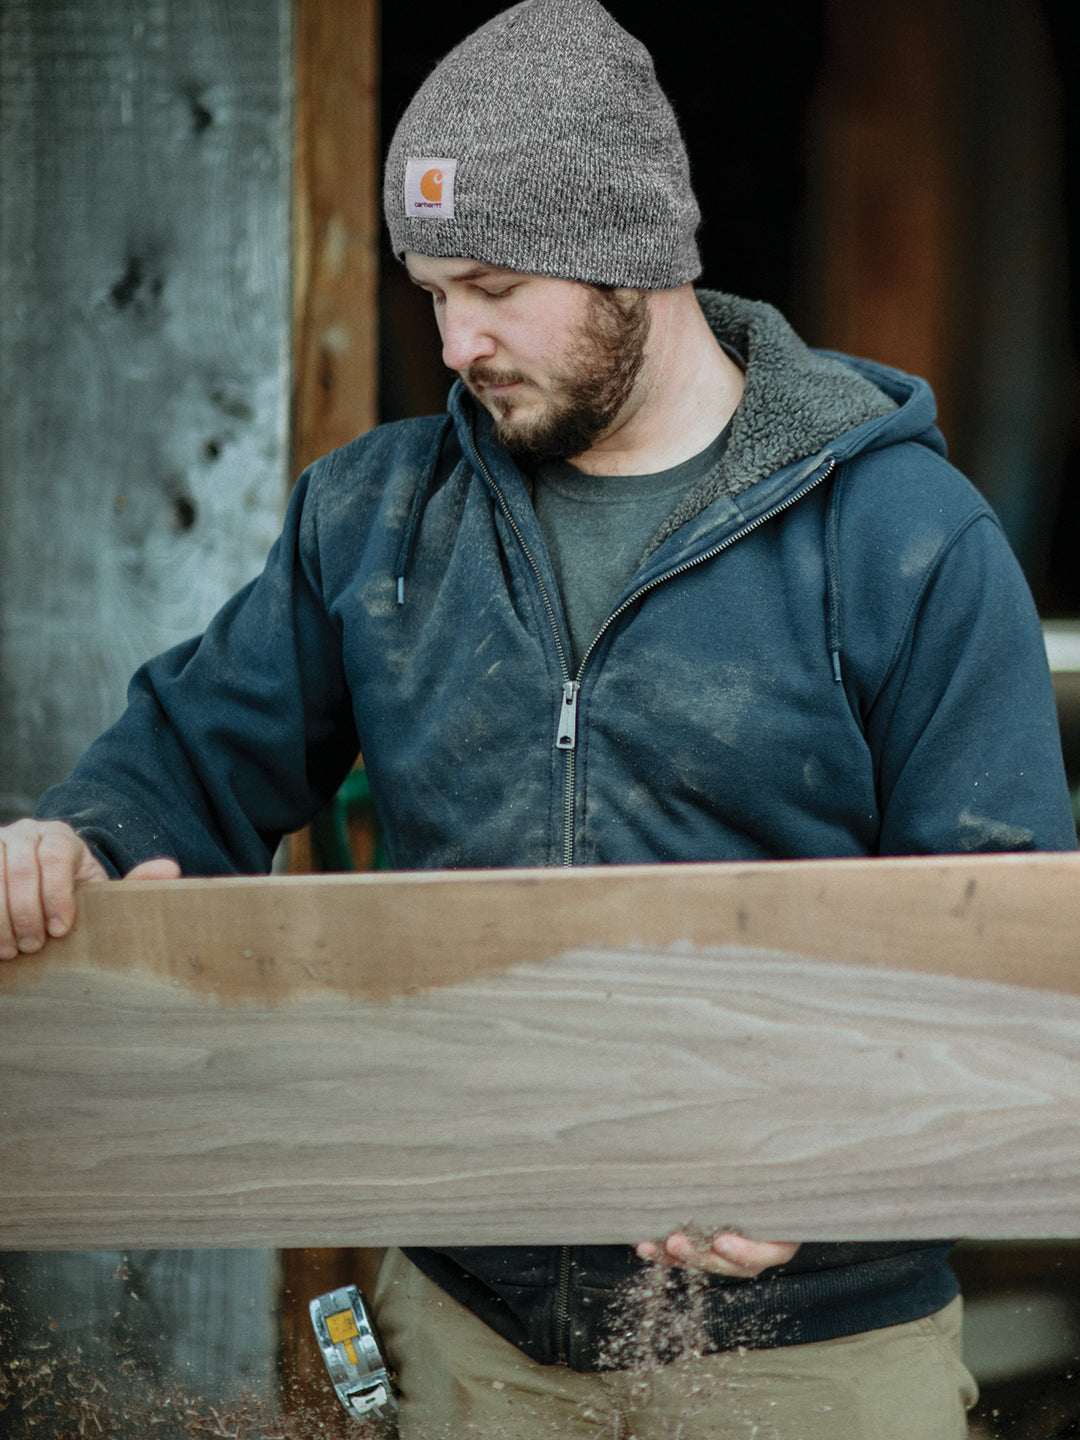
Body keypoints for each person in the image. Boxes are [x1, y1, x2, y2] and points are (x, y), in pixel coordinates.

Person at [1, 1, 1076, 1435]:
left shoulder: (902, 541)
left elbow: (1003, 949)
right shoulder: (374, 522)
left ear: (635, 252)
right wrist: (78, 838)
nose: (456, 341)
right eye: (433, 291)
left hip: (810, 1352)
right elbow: (191, 759)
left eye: (495, 285)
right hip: (464, 1336)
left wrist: (830, 1164)